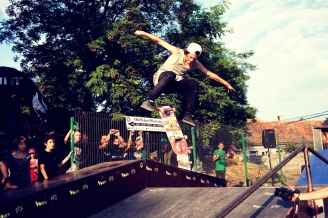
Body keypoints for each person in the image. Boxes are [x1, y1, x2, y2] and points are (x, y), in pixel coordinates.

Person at [134, 30, 236, 126]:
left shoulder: (196, 63)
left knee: (194, 83)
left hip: (172, 85)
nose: (191, 60)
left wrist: (226, 83)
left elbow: (209, 74)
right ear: (186, 52)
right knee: (171, 75)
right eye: (190, 57)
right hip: (161, 79)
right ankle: (149, 100)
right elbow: (159, 41)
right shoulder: (177, 52)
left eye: (194, 59)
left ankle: (188, 115)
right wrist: (142, 33)